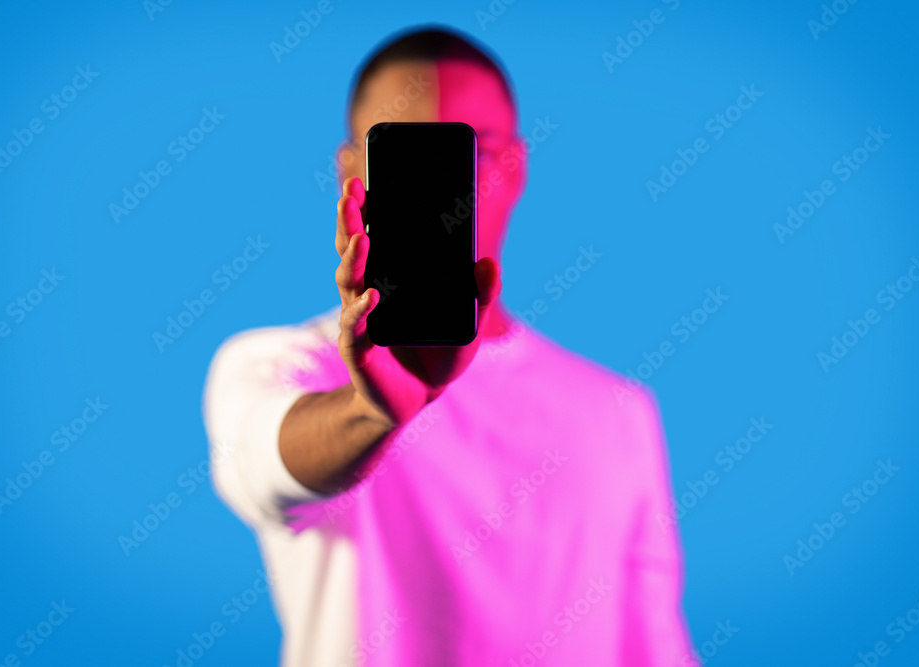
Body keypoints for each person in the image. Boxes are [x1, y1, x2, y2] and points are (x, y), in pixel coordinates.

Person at [203, 25, 696, 667]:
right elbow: (266, 464)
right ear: (352, 173)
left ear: (515, 169)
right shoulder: (281, 366)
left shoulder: (618, 413)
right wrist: (369, 414)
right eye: (407, 158)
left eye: (472, 153)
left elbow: (654, 646)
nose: (444, 193)